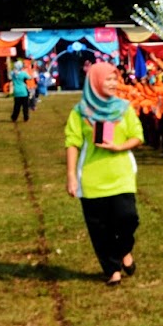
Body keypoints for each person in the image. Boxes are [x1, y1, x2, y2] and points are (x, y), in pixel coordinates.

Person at [63, 62, 143, 286]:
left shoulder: (124, 108)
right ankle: (112, 270)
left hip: (122, 175)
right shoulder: (80, 112)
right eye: (108, 79)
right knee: (100, 228)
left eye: (115, 79)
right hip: (91, 178)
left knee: (128, 219)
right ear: (95, 81)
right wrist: (71, 175)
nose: (113, 83)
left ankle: (124, 251)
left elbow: (138, 135)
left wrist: (119, 147)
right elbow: (72, 142)